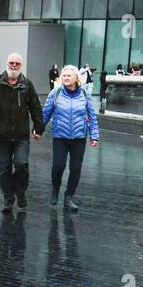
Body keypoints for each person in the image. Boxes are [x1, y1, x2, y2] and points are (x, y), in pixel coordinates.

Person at [0, 53, 44, 213]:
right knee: (4, 169)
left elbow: (35, 107)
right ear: (7, 64)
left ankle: (21, 192)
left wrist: (38, 127)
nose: (14, 66)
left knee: (21, 164)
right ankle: (8, 198)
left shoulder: (27, 84)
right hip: (1, 136)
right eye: (11, 63)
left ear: (21, 66)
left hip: (21, 135)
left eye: (17, 63)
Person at [41, 65, 99, 213]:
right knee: (58, 166)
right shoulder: (56, 93)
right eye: (64, 76)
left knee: (75, 169)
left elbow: (92, 116)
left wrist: (94, 136)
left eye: (69, 76)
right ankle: (55, 188)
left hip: (79, 137)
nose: (66, 78)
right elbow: (46, 113)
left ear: (76, 78)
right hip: (60, 136)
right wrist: (38, 129)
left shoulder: (85, 94)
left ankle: (69, 197)